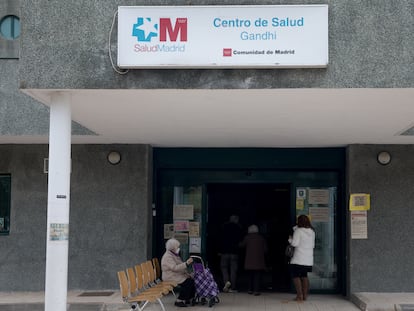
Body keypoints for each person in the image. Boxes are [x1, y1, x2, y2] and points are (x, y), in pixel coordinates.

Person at [288, 215, 315, 302]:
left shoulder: (298, 231)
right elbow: (313, 245)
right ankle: (305, 295)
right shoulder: (312, 231)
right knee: (304, 276)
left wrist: (290, 240)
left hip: (298, 258)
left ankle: (299, 296)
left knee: (296, 276)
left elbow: (294, 244)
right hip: (308, 259)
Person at [161, 238, 195, 307]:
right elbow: (175, 268)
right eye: (177, 247)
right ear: (173, 248)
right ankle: (179, 300)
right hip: (170, 276)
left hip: (175, 275)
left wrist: (187, 273)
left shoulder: (174, 255)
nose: (178, 248)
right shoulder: (168, 256)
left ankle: (188, 298)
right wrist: (186, 263)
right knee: (187, 283)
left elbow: (179, 266)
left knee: (191, 280)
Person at [240, 224, 268, 296]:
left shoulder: (247, 237)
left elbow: (242, 245)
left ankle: (250, 289)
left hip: (249, 261)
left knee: (250, 276)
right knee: (257, 276)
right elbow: (265, 250)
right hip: (259, 260)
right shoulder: (261, 238)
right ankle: (256, 291)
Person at [219, 214, 243, 293]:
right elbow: (241, 241)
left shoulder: (223, 227)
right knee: (233, 270)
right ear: (236, 219)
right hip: (234, 252)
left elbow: (220, 239)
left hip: (224, 252)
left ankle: (226, 283)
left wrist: (219, 250)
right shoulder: (239, 228)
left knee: (224, 268)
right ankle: (233, 287)